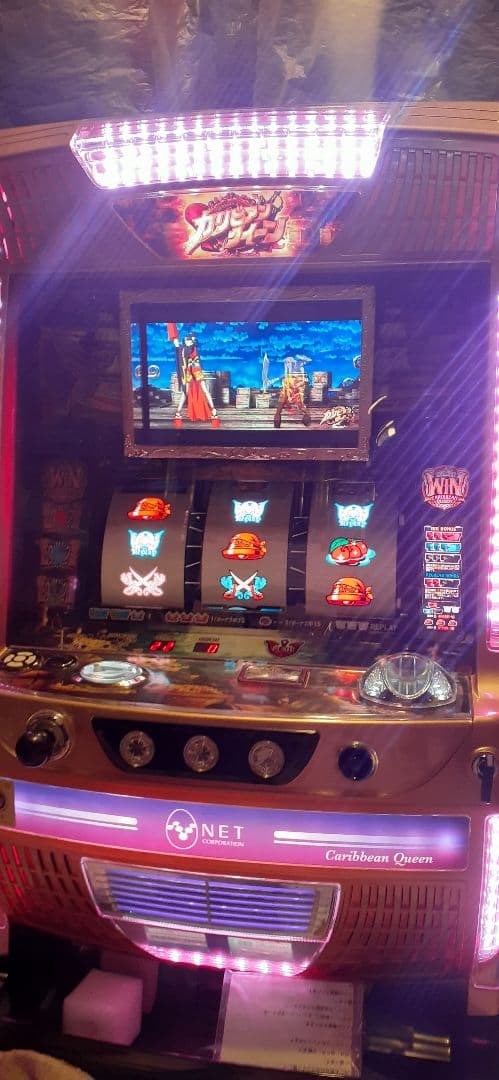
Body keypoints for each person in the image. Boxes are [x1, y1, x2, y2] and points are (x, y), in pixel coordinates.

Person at [167, 324, 218, 425]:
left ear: (192, 341)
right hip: (189, 374)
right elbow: (175, 341)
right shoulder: (182, 349)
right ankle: (178, 412)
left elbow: (195, 358)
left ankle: (213, 410)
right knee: (185, 392)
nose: (188, 341)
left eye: (189, 340)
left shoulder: (193, 348)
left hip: (196, 372)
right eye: (186, 339)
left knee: (205, 390)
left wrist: (192, 339)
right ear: (185, 341)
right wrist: (171, 325)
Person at [273, 354, 312, 428]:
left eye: (288, 362)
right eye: (286, 362)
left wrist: (301, 357)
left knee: (300, 404)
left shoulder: (298, 365)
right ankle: (276, 424)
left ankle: (306, 419)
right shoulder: (289, 369)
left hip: (297, 385)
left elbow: (309, 360)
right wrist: (275, 379)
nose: (287, 363)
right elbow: (284, 376)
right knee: (281, 405)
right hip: (289, 385)